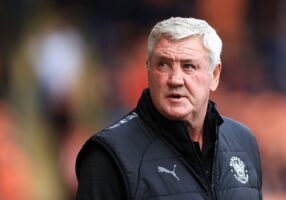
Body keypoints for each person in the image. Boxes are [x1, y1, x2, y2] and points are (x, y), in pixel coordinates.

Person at [75, 17, 263, 199]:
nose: (175, 80)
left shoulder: (243, 142)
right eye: (163, 65)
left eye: (189, 66)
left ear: (214, 75)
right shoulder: (109, 156)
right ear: (148, 69)